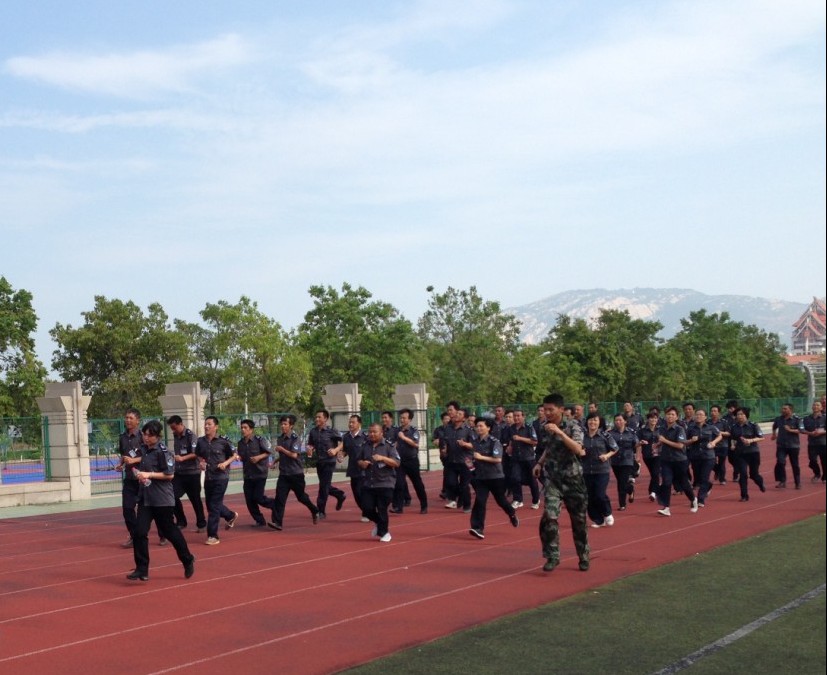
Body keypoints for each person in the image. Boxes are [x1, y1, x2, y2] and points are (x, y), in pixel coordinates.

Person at [125, 420, 195, 582]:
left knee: (169, 531)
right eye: (144, 434)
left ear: (157, 436)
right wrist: (130, 467)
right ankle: (142, 569)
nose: (146, 438)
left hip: (162, 499)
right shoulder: (143, 449)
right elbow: (133, 459)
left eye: (150, 435)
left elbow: (169, 475)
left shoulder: (164, 452)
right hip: (145, 498)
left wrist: (149, 474)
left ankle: (187, 558)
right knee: (139, 532)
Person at [532, 393, 590, 573]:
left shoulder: (574, 426)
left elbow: (578, 449)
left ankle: (583, 555)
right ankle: (553, 556)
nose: (547, 413)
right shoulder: (544, 427)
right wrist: (539, 463)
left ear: (561, 410)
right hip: (553, 480)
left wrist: (560, 433)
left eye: (551, 410)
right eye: (545, 410)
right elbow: (549, 448)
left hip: (573, 481)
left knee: (578, 522)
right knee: (549, 518)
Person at [468, 418, 519, 539]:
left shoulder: (494, 442)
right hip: (481, 477)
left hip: (495, 477)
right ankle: (478, 528)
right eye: (477, 426)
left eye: (481, 426)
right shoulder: (474, 442)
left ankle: (511, 513)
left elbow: (497, 459)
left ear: (488, 428)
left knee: (501, 500)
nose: (478, 428)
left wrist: (481, 457)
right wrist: (470, 464)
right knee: (480, 501)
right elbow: (472, 457)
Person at [269, 414, 319, 530]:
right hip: (284, 474)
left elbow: (294, 455)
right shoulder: (280, 438)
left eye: (285, 424)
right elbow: (283, 455)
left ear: (291, 426)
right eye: (281, 424)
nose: (283, 426)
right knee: (280, 498)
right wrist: (276, 461)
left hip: (296, 474)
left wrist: (282, 449)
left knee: (301, 497)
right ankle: (278, 523)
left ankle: (314, 509)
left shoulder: (295, 438)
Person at [196, 416, 239, 545]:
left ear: (216, 427)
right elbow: (198, 455)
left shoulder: (223, 441)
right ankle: (230, 515)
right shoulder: (201, 441)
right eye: (205, 424)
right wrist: (201, 462)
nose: (206, 426)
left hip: (221, 477)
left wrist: (225, 463)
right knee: (210, 505)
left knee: (214, 506)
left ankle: (213, 536)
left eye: (209, 424)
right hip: (208, 477)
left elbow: (234, 455)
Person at [357, 423, 400, 542]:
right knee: (366, 509)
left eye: (374, 432)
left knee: (382, 508)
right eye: (370, 432)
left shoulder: (389, 446)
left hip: (385, 483)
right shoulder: (365, 445)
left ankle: (385, 533)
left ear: (381, 433)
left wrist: (383, 458)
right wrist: (362, 463)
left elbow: (396, 463)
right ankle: (379, 523)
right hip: (369, 483)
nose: (372, 434)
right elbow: (358, 460)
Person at [168, 415, 206, 533]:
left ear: (181, 424)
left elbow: (196, 453)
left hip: (192, 473)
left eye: (174, 428)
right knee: (172, 496)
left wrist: (182, 458)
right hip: (179, 473)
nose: (173, 431)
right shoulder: (175, 436)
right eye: (172, 428)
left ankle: (201, 523)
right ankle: (181, 521)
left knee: (195, 499)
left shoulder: (191, 436)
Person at [655, 406, 697, 516]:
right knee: (666, 482)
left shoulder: (679, 429)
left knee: (683, 483)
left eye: (673, 414)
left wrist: (664, 440)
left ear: (677, 417)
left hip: (679, 460)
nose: (670, 416)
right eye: (668, 414)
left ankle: (693, 499)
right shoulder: (662, 428)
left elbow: (680, 445)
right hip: (666, 460)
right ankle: (666, 507)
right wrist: (657, 444)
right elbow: (662, 441)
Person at [306, 409, 346, 519]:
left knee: (323, 486)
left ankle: (321, 511)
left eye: (319, 417)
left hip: (329, 461)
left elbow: (344, 441)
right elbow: (310, 444)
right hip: (319, 462)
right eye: (316, 417)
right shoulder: (313, 432)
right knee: (325, 485)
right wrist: (310, 449)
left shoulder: (332, 431)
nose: (317, 419)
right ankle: (340, 495)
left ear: (325, 418)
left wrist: (336, 450)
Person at [236, 418, 276, 527]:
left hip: (260, 473)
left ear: (251, 429)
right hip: (248, 475)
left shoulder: (259, 440)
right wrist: (238, 457)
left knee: (258, 497)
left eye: (245, 428)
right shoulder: (240, 443)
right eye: (242, 428)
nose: (243, 430)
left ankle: (274, 504)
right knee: (249, 500)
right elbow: (241, 456)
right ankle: (260, 520)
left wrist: (258, 457)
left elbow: (268, 452)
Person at [581, 413, 618, 527]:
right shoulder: (582, 436)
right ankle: (598, 520)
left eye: (595, 420)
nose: (592, 422)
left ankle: (607, 513)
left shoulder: (605, 435)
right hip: (586, 470)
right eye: (590, 420)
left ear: (599, 422)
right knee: (589, 496)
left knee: (599, 494)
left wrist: (607, 456)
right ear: (587, 422)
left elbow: (615, 448)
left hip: (602, 470)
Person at [390, 408, 428, 515]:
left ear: (409, 419)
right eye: (401, 418)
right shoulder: (396, 430)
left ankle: (424, 505)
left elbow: (416, 444)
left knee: (417, 483)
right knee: (399, 483)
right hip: (399, 461)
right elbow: (393, 443)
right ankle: (399, 506)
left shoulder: (413, 430)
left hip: (411, 460)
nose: (402, 420)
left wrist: (404, 438)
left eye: (404, 418)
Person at [685, 409, 722, 507]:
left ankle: (700, 499)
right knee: (698, 478)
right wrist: (691, 440)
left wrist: (714, 442)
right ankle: (709, 485)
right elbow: (684, 441)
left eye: (701, 415)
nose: (698, 416)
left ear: (705, 417)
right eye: (697, 414)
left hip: (708, 456)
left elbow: (719, 436)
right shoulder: (690, 428)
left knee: (704, 477)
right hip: (695, 456)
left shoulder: (711, 427)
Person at [441, 406, 475, 512]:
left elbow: (474, 445)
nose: (456, 415)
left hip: (467, 461)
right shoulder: (448, 429)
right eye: (456, 413)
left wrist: (465, 444)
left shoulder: (469, 430)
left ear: (464, 418)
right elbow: (445, 442)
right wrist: (444, 449)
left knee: (464, 485)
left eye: (459, 414)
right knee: (450, 483)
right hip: (451, 460)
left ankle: (467, 505)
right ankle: (455, 499)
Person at [729, 407, 766, 502]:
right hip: (740, 454)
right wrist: (732, 445)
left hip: (753, 452)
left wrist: (751, 440)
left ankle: (760, 483)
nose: (740, 416)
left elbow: (761, 437)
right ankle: (744, 495)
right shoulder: (734, 427)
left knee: (754, 474)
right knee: (743, 474)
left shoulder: (753, 425)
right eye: (738, 414)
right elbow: (733, 438)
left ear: (746, 415)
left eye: (742, 414)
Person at [507, 409, 539, 509]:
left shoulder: (529, 427)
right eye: (515, 416)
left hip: (528, 458)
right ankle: (518, 500)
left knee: (532, 480)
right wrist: (510, 446)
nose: (516, 418)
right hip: (516, 458)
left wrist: (520, 438)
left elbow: (535, 441)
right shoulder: (511, 428)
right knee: (515, 478)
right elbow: (511, 439)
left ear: (523, 417)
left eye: (518, 416)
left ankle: (535, 500)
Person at [341, 414, 369, 518]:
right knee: (356, 494)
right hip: (353, 469)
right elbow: (345, 451)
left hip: (364, 470)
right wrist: (341, 455)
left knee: (362, 492)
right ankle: (367, 510)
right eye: (350, 422)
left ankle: (367, 513)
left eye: (353, 422)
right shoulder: (346, 437)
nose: (351, 424)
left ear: (359, 424)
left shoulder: (365, 437)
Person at [608, 413, 638, 511]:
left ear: (625, 421)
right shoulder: (610, 433)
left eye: (620, 420)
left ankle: (622, 504)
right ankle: (630, 489)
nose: (618, 422)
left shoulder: (631, 432)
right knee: (621, 481)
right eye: (616, 420)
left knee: (622, 482)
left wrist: (637, 455)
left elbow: (636, 444)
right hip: (615, 460)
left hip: (627, 460)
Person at [771, 403, 803, 489]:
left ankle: (797, 482)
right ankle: (782, 481)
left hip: (793, 445)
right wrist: (774, 434)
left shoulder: (797, 419)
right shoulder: (779, 419)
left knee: (795, 464)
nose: (783, 410)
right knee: (780, 462)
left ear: (790, 410)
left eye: (785, 409)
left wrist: (790, 430)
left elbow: (801, 430)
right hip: (781, 445)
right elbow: (774, 426)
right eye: (782, 409)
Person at [636, 411, 662, 502]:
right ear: (648, 419)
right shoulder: (642, 431)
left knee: (655, 473)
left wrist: (660, 442)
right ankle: (651, 490)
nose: (653, 420)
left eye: (655, 418)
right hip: (647, 455)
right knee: (653, 474)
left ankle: (653, 492)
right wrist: (640, 444)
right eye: (651, 418)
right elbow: (637, 443)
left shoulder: (661, 429)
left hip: (658, 455)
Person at [802, 400, 826, 482]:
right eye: (814, 405)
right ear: (812, 407)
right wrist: (810, 433)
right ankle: (817, 473)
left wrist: (820, 432)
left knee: (824, 461)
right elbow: (802, 429)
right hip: (812, 443)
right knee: (812, 460)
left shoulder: (825, 418)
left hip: (823, 443)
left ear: (821, 408)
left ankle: (824, 477)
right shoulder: (807, 419)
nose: (815, 406)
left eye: (818, 405)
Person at [709, 405, 731, 485]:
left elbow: (728, 433)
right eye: (712, 411)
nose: (713, 413)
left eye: (715, 411)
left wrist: (719, 432)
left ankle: (722, 479)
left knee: (722, 463)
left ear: (719, 413)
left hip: (722, 445)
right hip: (712, 445)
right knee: (711, 462)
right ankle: (717, 471)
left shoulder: (724, 422)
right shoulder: (708, 422)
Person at [433, 411, 452, 499]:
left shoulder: (452, 429)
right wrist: (436, 441)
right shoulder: (438, 429)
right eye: (445, 419)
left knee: (448, 472)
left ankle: (445, 491)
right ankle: (446, 491)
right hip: (443, 454)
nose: (447, 420)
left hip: (453, 453)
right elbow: (434, 439)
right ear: (442, 420)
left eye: (448, 419)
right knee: (447, 472)